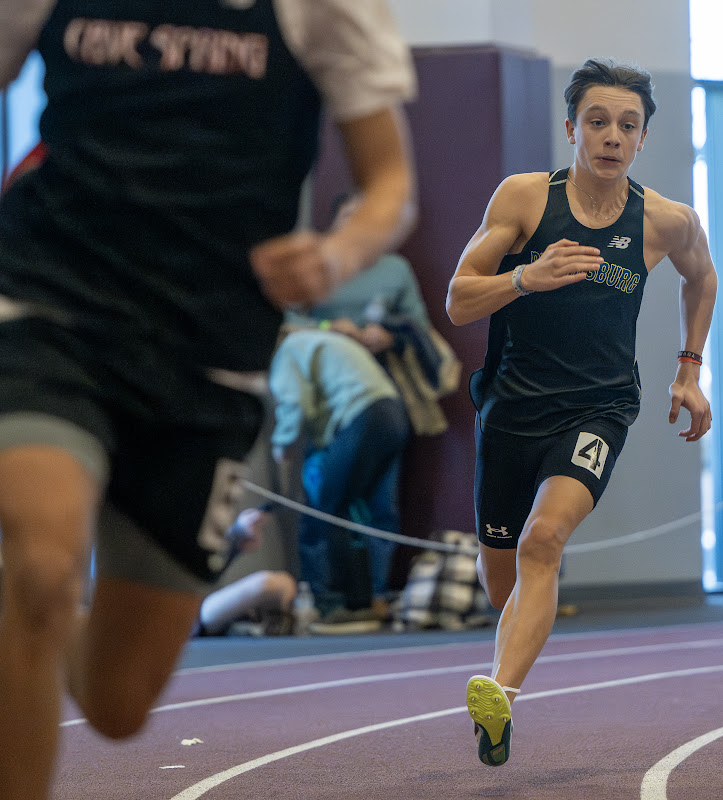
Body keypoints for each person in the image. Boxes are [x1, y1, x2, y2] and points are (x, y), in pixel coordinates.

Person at [0, 3, 417, 799]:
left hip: (205, 358)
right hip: (51, 309)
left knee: (117, 704)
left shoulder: (316, 9)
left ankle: (36, 621)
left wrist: (334, 256)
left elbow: (390, 185)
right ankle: (32, 607)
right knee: (44, 566)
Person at [446, 57, 717, 767]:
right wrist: (524, 278)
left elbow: (702, 277)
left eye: (626, 125)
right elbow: (458, 297)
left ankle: (499, 692)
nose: (610, 136)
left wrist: (687, 371)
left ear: (641, 139)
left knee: (544, 543)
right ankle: (502, 686)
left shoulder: (663, 220)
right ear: (571, 128)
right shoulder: (525, 200)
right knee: (501, 575)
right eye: (596, 121)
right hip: (510, 406)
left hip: (598, 408)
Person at [283, 194, 445, 618]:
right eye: (350, 217)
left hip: (382, 398)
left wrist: (386, 336)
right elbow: (285, 320)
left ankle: (374, 594)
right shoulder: (317, 264)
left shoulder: (395, 269)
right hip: (325, 398)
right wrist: (329, 327)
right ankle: (324, 596)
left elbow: (419, 327)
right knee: (323, 497)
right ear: (335, 223)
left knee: (381, 504)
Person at [268, 328, 411, 633]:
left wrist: (282, 445)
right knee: (353, 509)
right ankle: (368, 599)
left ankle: (355, 605)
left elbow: (294, 402)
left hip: (365, 415)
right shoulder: (316, 341)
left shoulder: (289, 349)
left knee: (330, 508)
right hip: (393, 414)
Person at [196, 508, 298, 636]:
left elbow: (207, 559)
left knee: (284, 583)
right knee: (264, 584)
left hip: (202, 609)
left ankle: (258, 622)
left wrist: (239, 531)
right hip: (194, 615)